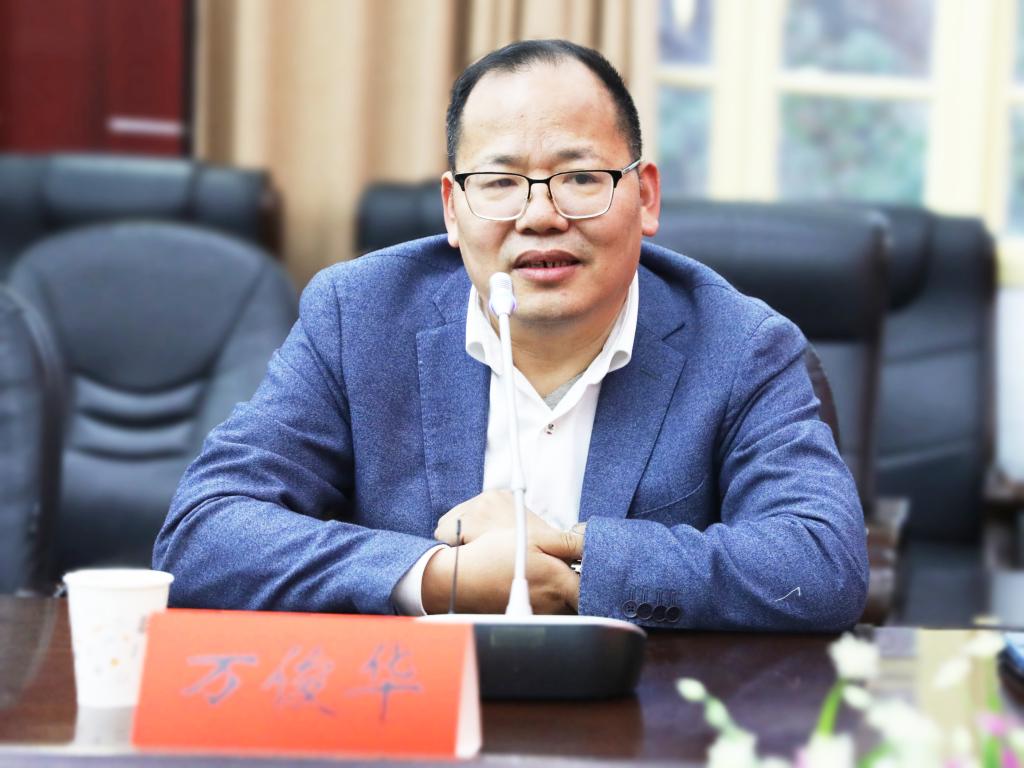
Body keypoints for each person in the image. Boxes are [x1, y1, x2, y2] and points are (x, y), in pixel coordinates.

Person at [154, 39, 868, 630]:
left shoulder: (741, 345)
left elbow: (821, 565)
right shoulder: (360, 315)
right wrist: (442, 578)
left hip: (641, 721)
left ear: (645, 196)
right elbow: (203, 533)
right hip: (414, 716)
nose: (540, 216)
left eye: (581, 178)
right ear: (452, 208)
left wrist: (571, 558)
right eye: (499, 183)